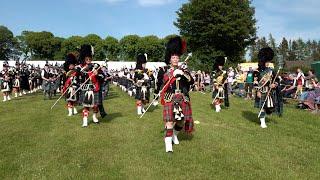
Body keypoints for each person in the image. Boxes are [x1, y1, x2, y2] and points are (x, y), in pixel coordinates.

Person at [154, 36, 194, 153]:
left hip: (182, 97)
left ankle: (174, 135)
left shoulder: (183, 69)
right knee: (169, 122)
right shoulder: (163, 69)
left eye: (177, 57)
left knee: (181, 121)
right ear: (170, 58)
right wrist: (172, 74)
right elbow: (160, 83)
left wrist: (182, 74)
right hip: (169, 98)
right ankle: (168, 146)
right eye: (173, 57)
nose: (176, 59)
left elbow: (191, 81)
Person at [254, 47, 283, 128]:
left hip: (269, 92)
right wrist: (258, 91)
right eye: (266, 61)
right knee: (262, 107)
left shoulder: (271, 71)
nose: (267, 63)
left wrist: (274, 84)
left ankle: (263, 117)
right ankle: (262, 122)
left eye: (268, 61)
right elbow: (255, 83)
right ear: (262, 61)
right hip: (261, 91)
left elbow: (276, 79)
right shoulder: (257, 71)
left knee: (269, 108)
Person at [78, 45, 103, 127]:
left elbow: (103, 76)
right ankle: (85, 121)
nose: (88, 60)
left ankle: (94, 117)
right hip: (85, 89)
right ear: (84, 59)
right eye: (87, 59)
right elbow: (77, 77)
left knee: (95, 105)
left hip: (94, 88)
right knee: (86, 106)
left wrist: (98, 74)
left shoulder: (96, 66)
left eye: (90, 59)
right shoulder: (81, 67)